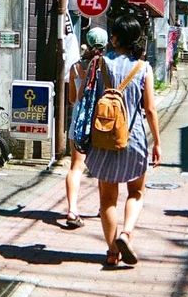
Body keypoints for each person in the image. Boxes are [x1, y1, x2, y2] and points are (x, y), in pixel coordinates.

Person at [84, 16, 161, 266]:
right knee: (136, 191)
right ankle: (126, 233)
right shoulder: (143, 68)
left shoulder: (99, 64)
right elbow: (149, 109)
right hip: (134, 137)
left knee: (107, 198)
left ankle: (111, 251)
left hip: (102, 136)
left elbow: (85, 102)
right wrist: (157, 142)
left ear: (114, 38)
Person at [64, 28, 108, 229]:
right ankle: (104, 207)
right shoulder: (107, 67)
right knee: (102, 168)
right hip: (101, 123)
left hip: (79, 122)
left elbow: (73, 99)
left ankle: (72, 210)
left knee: (76, 167)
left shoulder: (75, 67)